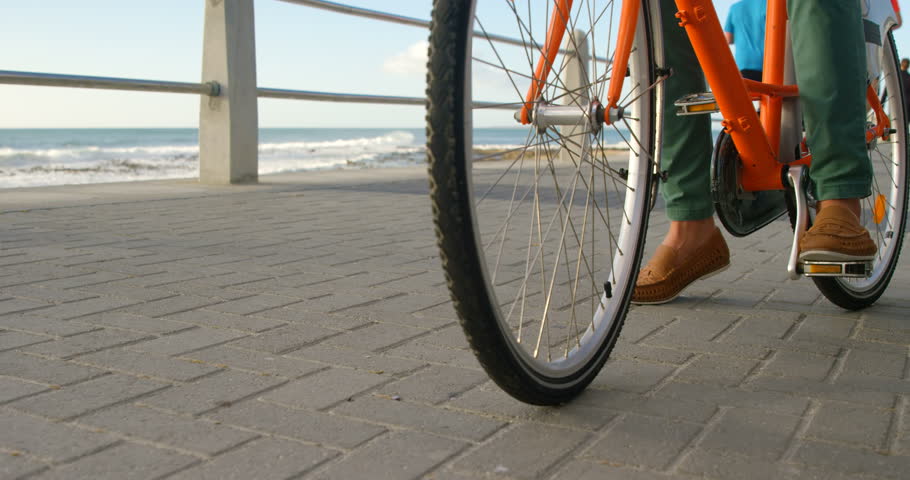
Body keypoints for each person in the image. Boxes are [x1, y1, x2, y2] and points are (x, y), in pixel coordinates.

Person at [633, 0, 878, 305]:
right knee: (658, 12)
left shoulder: (737, 11)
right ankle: (690, 227)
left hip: (758, 56)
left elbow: (731, 37)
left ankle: (840, 193)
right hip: (760, 55)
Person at [724, 0, 767, 81]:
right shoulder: (768, 4)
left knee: (750, 93)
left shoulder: (734, 8)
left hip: (744, 63)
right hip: (768, 62)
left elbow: (728, 39)